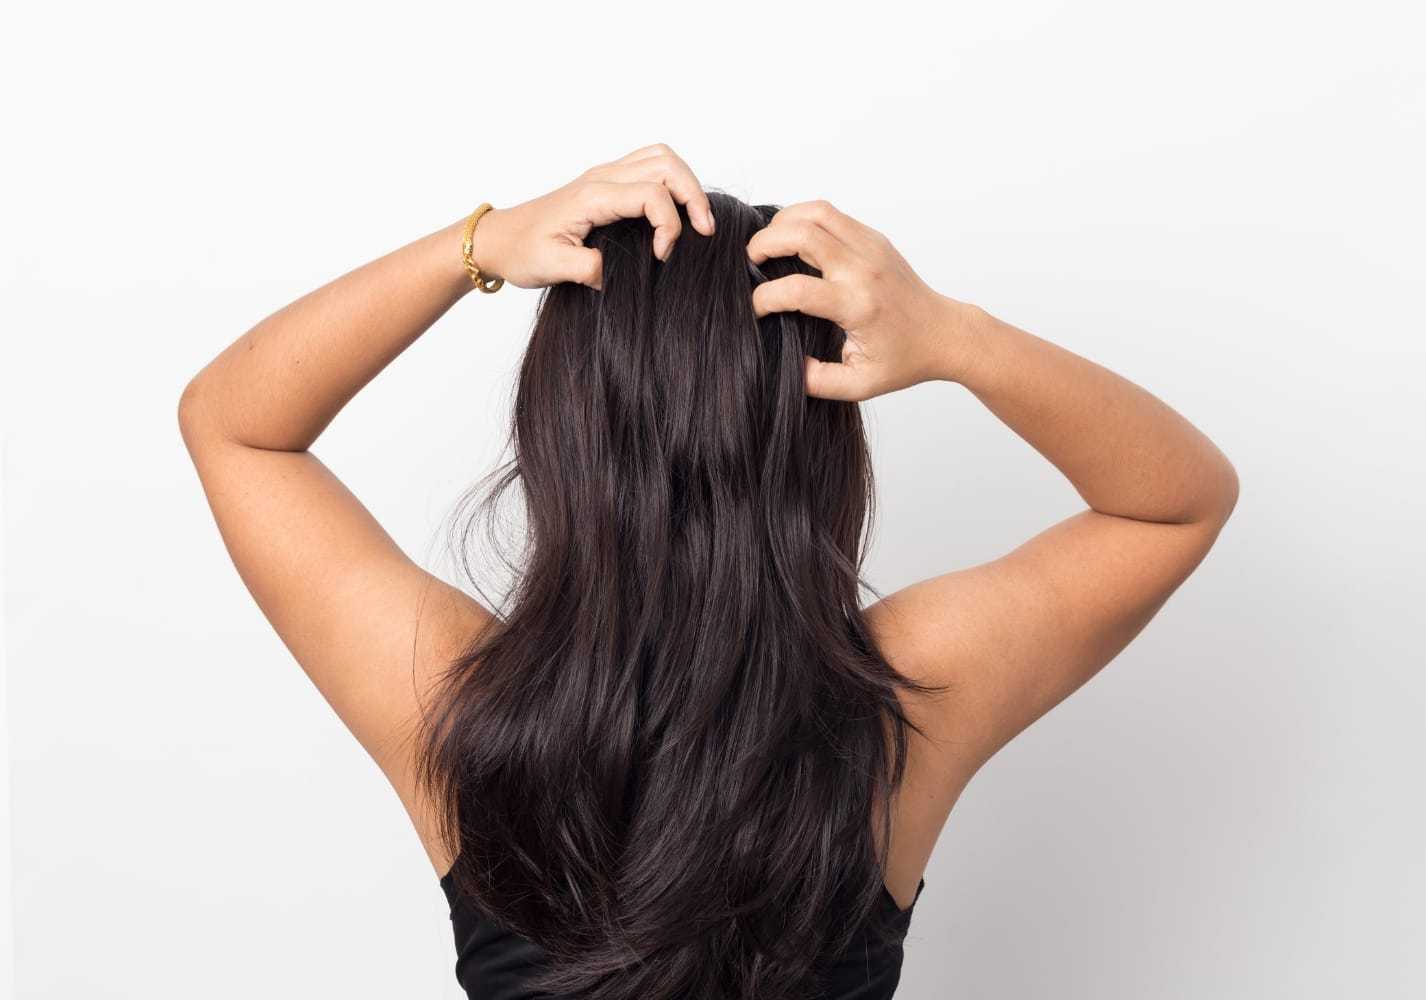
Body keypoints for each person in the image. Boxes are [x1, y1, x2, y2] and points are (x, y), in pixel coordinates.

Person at [178, 143, 1239, 1000]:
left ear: (561, 425)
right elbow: (1175, 501)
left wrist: (481, 246)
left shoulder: (452, 702)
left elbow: (234, 426)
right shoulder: (902, 708)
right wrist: (954, 337)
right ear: (816, 436)